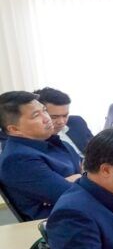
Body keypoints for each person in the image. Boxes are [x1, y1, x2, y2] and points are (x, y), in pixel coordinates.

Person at [0, 91, 82, 220]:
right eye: (36, 115)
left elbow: (88, 170)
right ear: (15, 129)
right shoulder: (18, 159)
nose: (46, 118)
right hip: (65, 222)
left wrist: (79, 178)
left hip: (85, 213)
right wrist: (81, 179)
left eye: (44, 110)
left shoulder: (55, 142)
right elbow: (74, 196)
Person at [33, 86, 92, 158]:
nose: (61, 122)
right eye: (53, 117)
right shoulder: (35, 140)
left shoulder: (77, 122)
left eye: (65, 115)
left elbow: (97, 148)